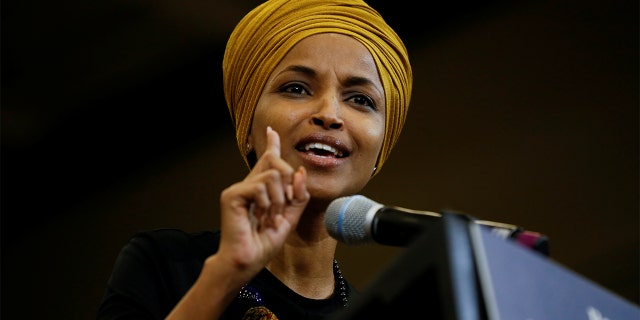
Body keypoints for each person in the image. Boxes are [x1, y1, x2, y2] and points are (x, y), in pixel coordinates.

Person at [97, 0, 412, 319]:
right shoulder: (164, 264)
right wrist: (225, 276)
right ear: (247, 127)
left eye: (360, 100)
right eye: (296, 88)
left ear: (380, 150)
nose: (329, 114)